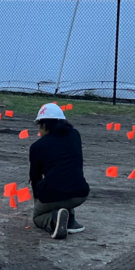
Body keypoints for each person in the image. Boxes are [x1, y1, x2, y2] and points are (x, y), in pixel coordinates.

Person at [28, 102, 90, 240]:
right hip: (80, 192)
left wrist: (37, 200)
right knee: (65, 179)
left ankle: (53, 221)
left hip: (53, 194)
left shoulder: (37, 146)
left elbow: (35, 177)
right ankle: (70, 220)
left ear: (44, 125)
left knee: (37, 217)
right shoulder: (75, 135)